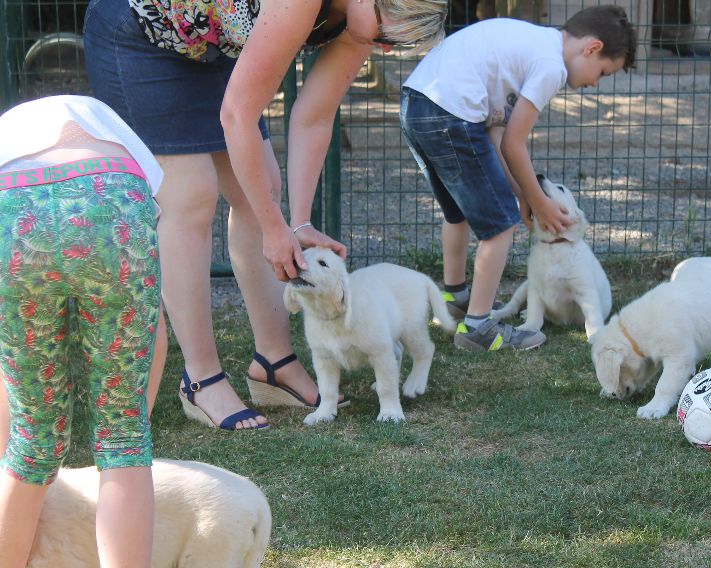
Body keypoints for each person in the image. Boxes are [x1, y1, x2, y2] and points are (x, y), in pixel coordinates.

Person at [83, 0, 448, 430]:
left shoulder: (362, 24)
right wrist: (276, 229)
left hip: (208, 42)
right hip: (140, 31)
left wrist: (297, 223)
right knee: (191, 194)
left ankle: (274, 364)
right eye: (388, 37)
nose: (385, 49)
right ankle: (200, 379)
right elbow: (238, 114)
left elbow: (313, 118)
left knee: (263, 189)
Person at [0, 95, 223, 568]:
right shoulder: (127, 151)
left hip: (8, 207)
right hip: (109, 201)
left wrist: (27, 438)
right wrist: (124, 446)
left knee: (28, 449)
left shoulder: (11, 135)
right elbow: (153, 347)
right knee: (124, 443)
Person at [399, 5, 637, 352]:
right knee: (500, 226)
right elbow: (514, 143)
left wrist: (524, 194)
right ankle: (478, 326)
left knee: (459, 213)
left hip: (419, 105)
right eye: (602, 72)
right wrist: (539, 203)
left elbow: (496, 138)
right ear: (593, 47)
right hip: (452, 113)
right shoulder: (551, 65)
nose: (595, 83)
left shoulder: (530, 44)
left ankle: (455, 298)